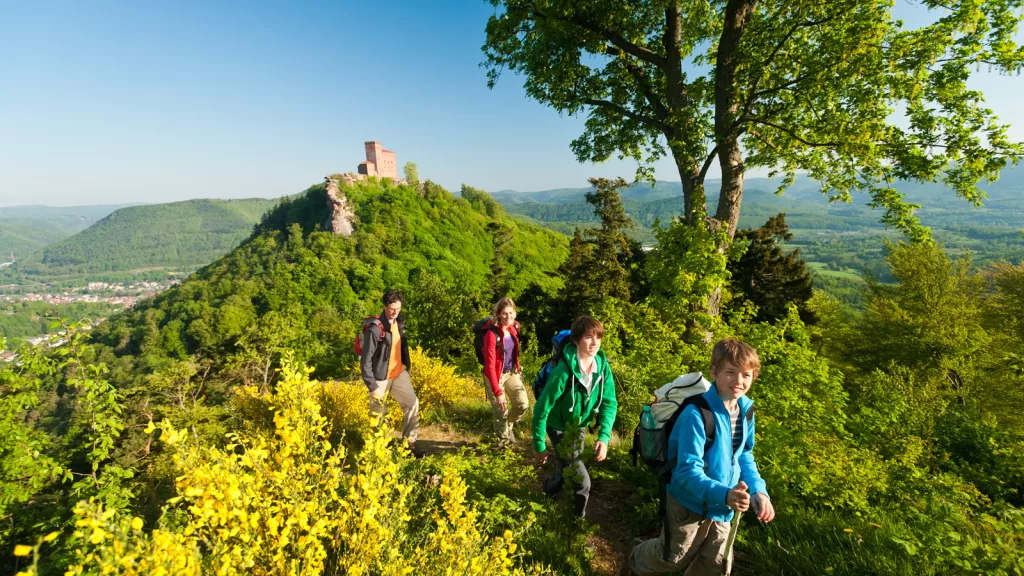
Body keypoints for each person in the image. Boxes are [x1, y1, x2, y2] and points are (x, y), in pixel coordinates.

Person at [623, 339, 775, 576]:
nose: (738, 381)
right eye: (730, 372)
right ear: (714, 372)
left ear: (754, 377)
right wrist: (724, 494)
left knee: (714, 565)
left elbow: (743, 454)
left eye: (746, 375)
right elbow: (686, 471)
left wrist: (758, 490)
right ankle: (635, 556)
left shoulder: (746, 411)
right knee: (673, 558)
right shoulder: (697, 414)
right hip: (688, 502)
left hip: (725, 505)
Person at [532, 315, 618, 518]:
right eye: (589, 337)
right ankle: (575, 523)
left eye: (598, 337)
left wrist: (604, 437)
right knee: (582, 482)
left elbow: (609, 402)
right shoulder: (563, 372)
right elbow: (541, 408)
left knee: (567, 464)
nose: (595, 342)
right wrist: (539, 444)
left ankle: (550, 488)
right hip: (557, 425)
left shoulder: (602, 368)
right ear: (576, 340)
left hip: (579, 426)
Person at [360, 289, 421, 456]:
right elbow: (365, 361)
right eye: (392, 308)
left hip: (399, 373)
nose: (395, 312)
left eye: (398, 308)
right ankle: (378, 451)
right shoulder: (375, 329)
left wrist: (406, 367)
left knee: (412, 403)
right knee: (378, 414)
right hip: (380, 378)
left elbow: (402, 346)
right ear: (385, 306)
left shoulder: (399, 322)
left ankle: (409, 445)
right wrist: (371, 386)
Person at [480, 297, 530, 448]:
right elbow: (489, 366)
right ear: (498, 314)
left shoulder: (515, 327)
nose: (508, 317)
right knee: (501, 412)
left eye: (511, 313)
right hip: (494, 376)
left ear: (514, 313)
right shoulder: (491, 335)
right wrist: (497, 392)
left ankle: (509, 426)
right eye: (504, 314)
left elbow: (513, 351)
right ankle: (504, 446)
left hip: (511, 372)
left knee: (523, 404)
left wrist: (518, 366)